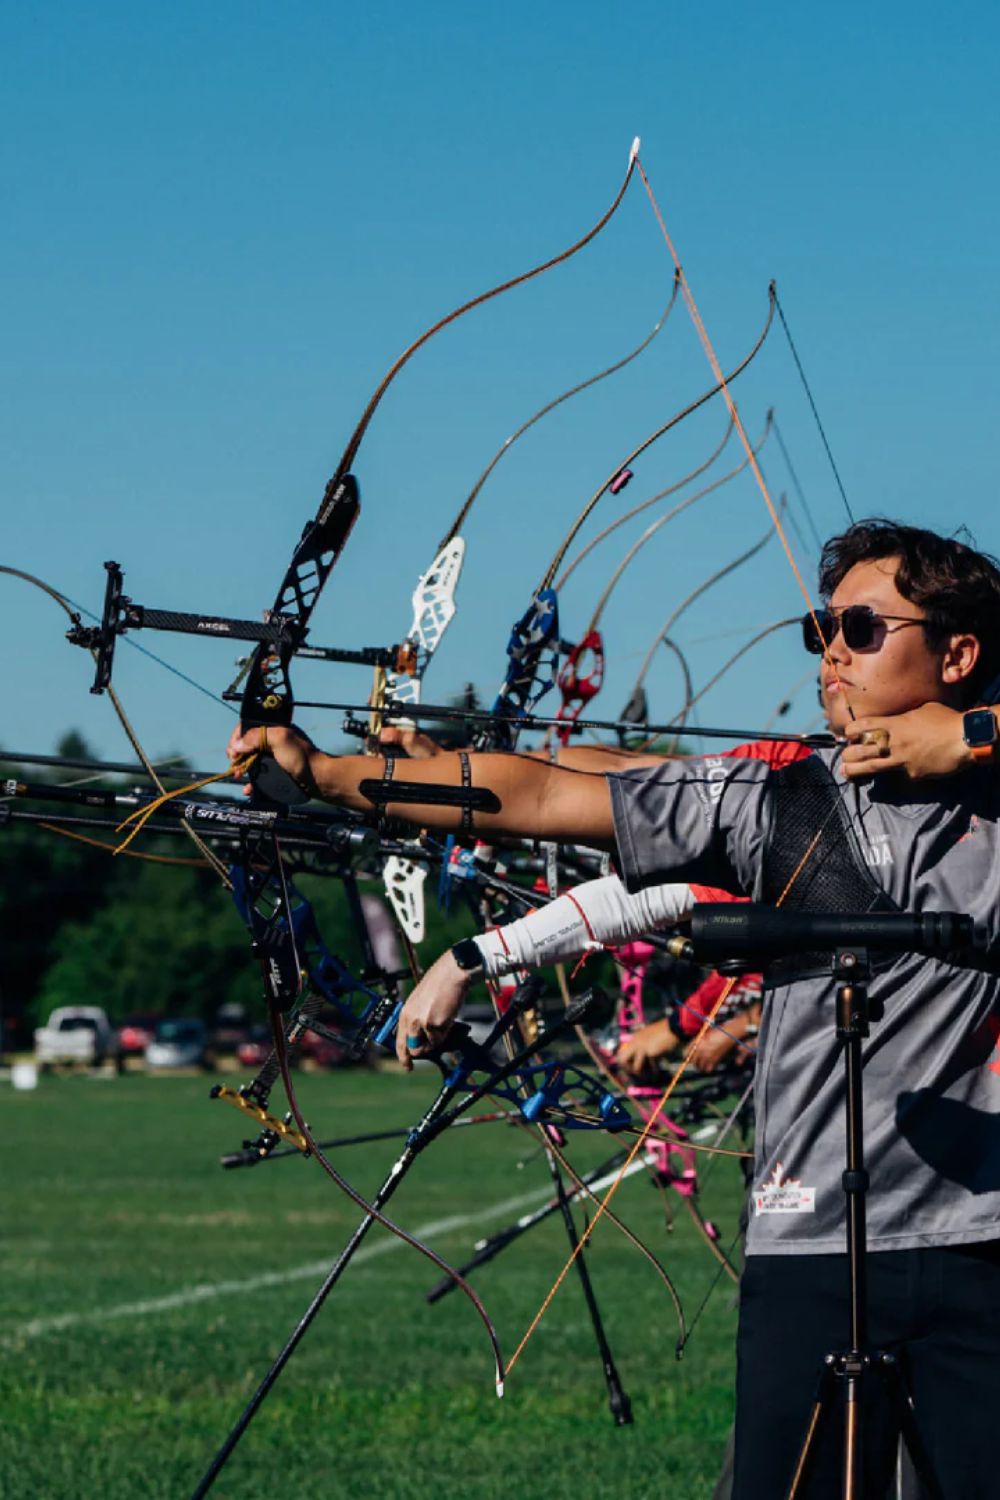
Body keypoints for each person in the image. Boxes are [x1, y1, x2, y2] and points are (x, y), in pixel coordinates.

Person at [229, 519, 1000, 1498]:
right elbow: (550, 793)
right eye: (821, 630)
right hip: (810, 1243)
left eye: (861, 625)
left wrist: (975, 733)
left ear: (958, 651)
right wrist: (335, 778)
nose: (831, 653)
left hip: (980, 1245)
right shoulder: (777, 801)